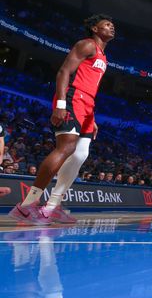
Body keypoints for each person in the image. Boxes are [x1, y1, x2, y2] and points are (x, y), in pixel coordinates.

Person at [8, 15, 115, 225]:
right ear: (94, 28)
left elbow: (90, 83)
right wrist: (60, 105)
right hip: (73, 98)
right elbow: (64, 72)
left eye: (113, 25)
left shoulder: (103, 55)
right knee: (65, 149)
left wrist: (91, 117)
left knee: (81, 154)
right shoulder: (86, 44)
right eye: (107, 24)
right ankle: (27, 205)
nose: (112, 27)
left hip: (87, 104)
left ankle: (52, 207)